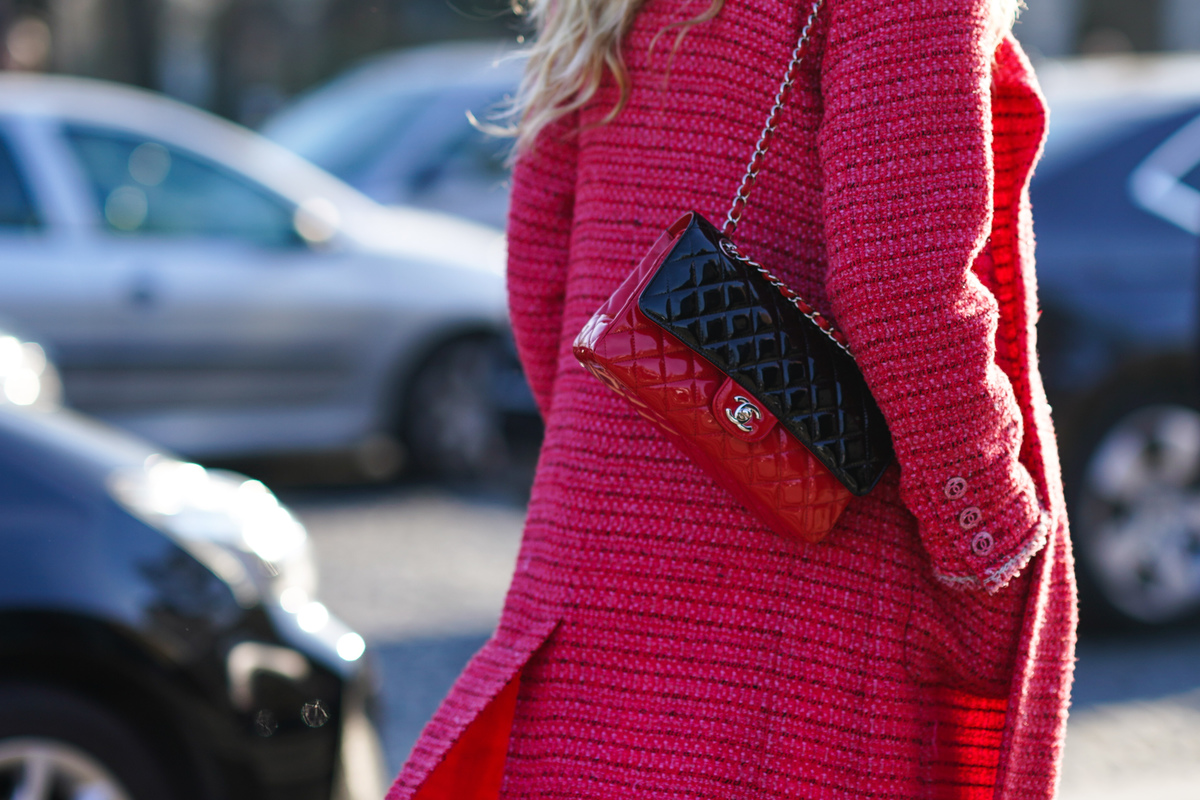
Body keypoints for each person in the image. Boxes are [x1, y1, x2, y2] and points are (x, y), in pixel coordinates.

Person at [388, 0, 1077, 796]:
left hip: (594, 605)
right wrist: (990, 528)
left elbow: (543, 273)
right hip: (813, 631)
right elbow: (900, 285)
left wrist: (663, 443)